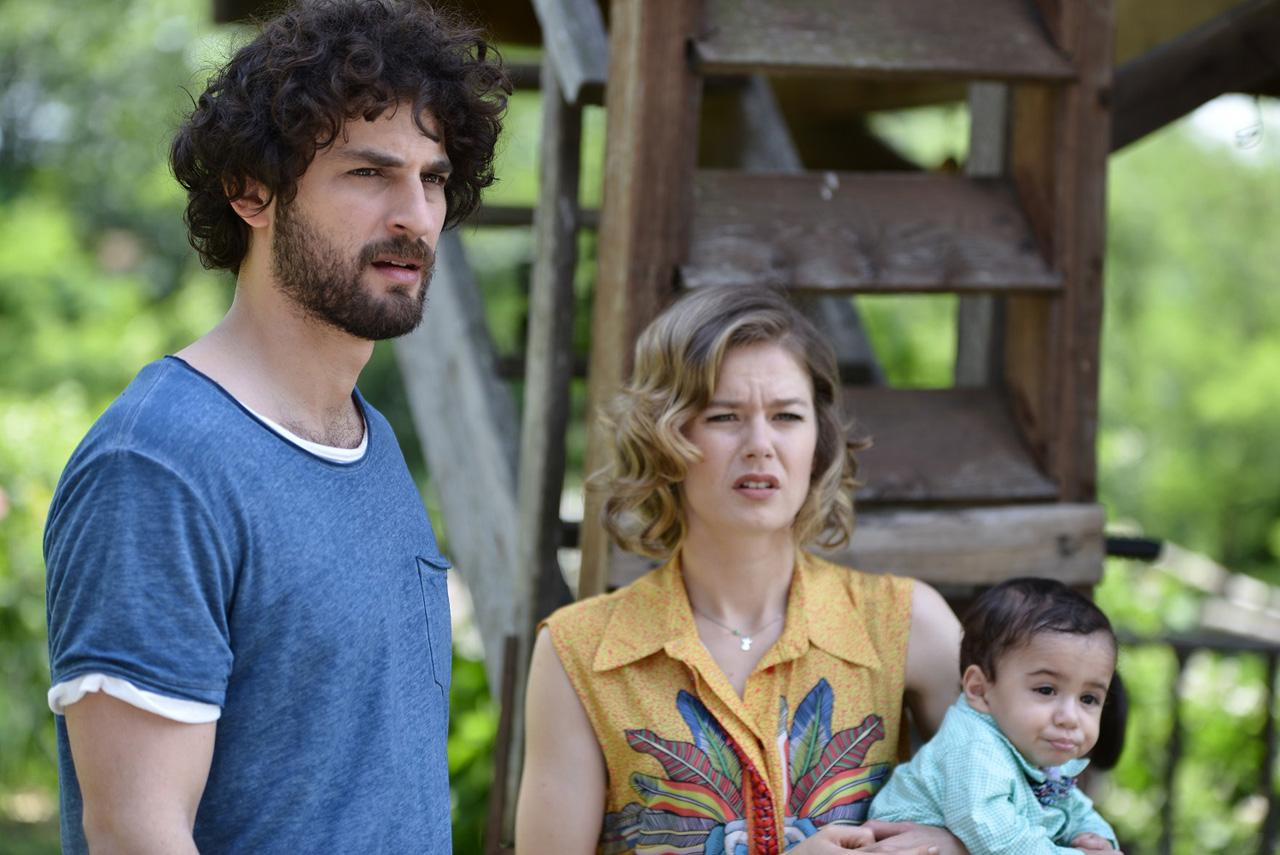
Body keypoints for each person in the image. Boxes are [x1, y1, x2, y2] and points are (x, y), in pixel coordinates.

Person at [42, 1, 506, 851]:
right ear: (251, 190)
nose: (415, 215)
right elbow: (135, 832)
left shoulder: (368, 440)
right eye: (369, 173)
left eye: (433, 179)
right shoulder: (158, 464)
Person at [516, 286, 968, 854]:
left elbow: (1046, 814)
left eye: (787, 416)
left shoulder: (905, 623)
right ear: (665, 437)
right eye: (725, 416)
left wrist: (952, 845)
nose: (760, 444)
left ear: (818, 442)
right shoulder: (579, 653)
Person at [868, 578, 1124, 854]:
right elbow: (1000, 839)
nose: (1070, 717)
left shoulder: (1036, 749)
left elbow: (1075, 807)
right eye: (1046, 690)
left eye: (1088, 699)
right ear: (979, 689)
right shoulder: (974, 748)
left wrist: (1097, 838)